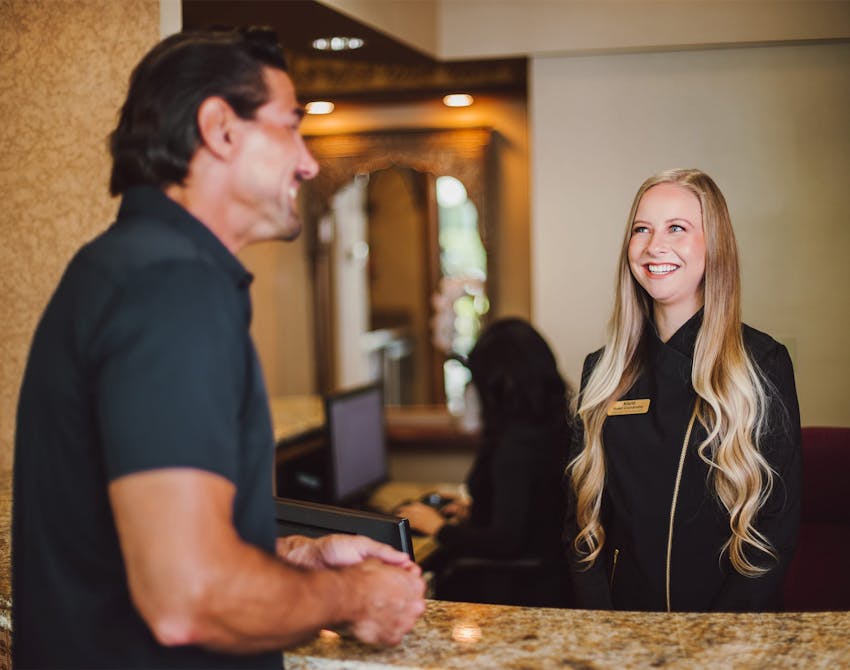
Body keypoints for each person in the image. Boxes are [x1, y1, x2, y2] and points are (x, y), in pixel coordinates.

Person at [12, 28, 424, 669]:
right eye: (291, 126)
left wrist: (300, 556)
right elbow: (188, 597)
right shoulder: (174, 288)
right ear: (220, 129)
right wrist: (351, 595)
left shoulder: (124, 268)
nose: (309, 162)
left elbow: (149, 536)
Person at [565, 168, 802, 612]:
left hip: (727, 636)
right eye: (642, 229)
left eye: (677, 228)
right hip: (622, 634)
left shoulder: (762, 362)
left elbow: (774, 528)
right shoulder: (601, 371)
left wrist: (716, 643)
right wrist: (599, 627)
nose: (655, 245)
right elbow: (581, 529)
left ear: (714, 247)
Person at [397, 318, 573, 606]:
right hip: (550, 578)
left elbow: (505, 541)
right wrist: (479, 507)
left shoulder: (516, 447)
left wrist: (437, 526)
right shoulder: (551, 426)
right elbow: (535, 508)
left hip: (517, 590)